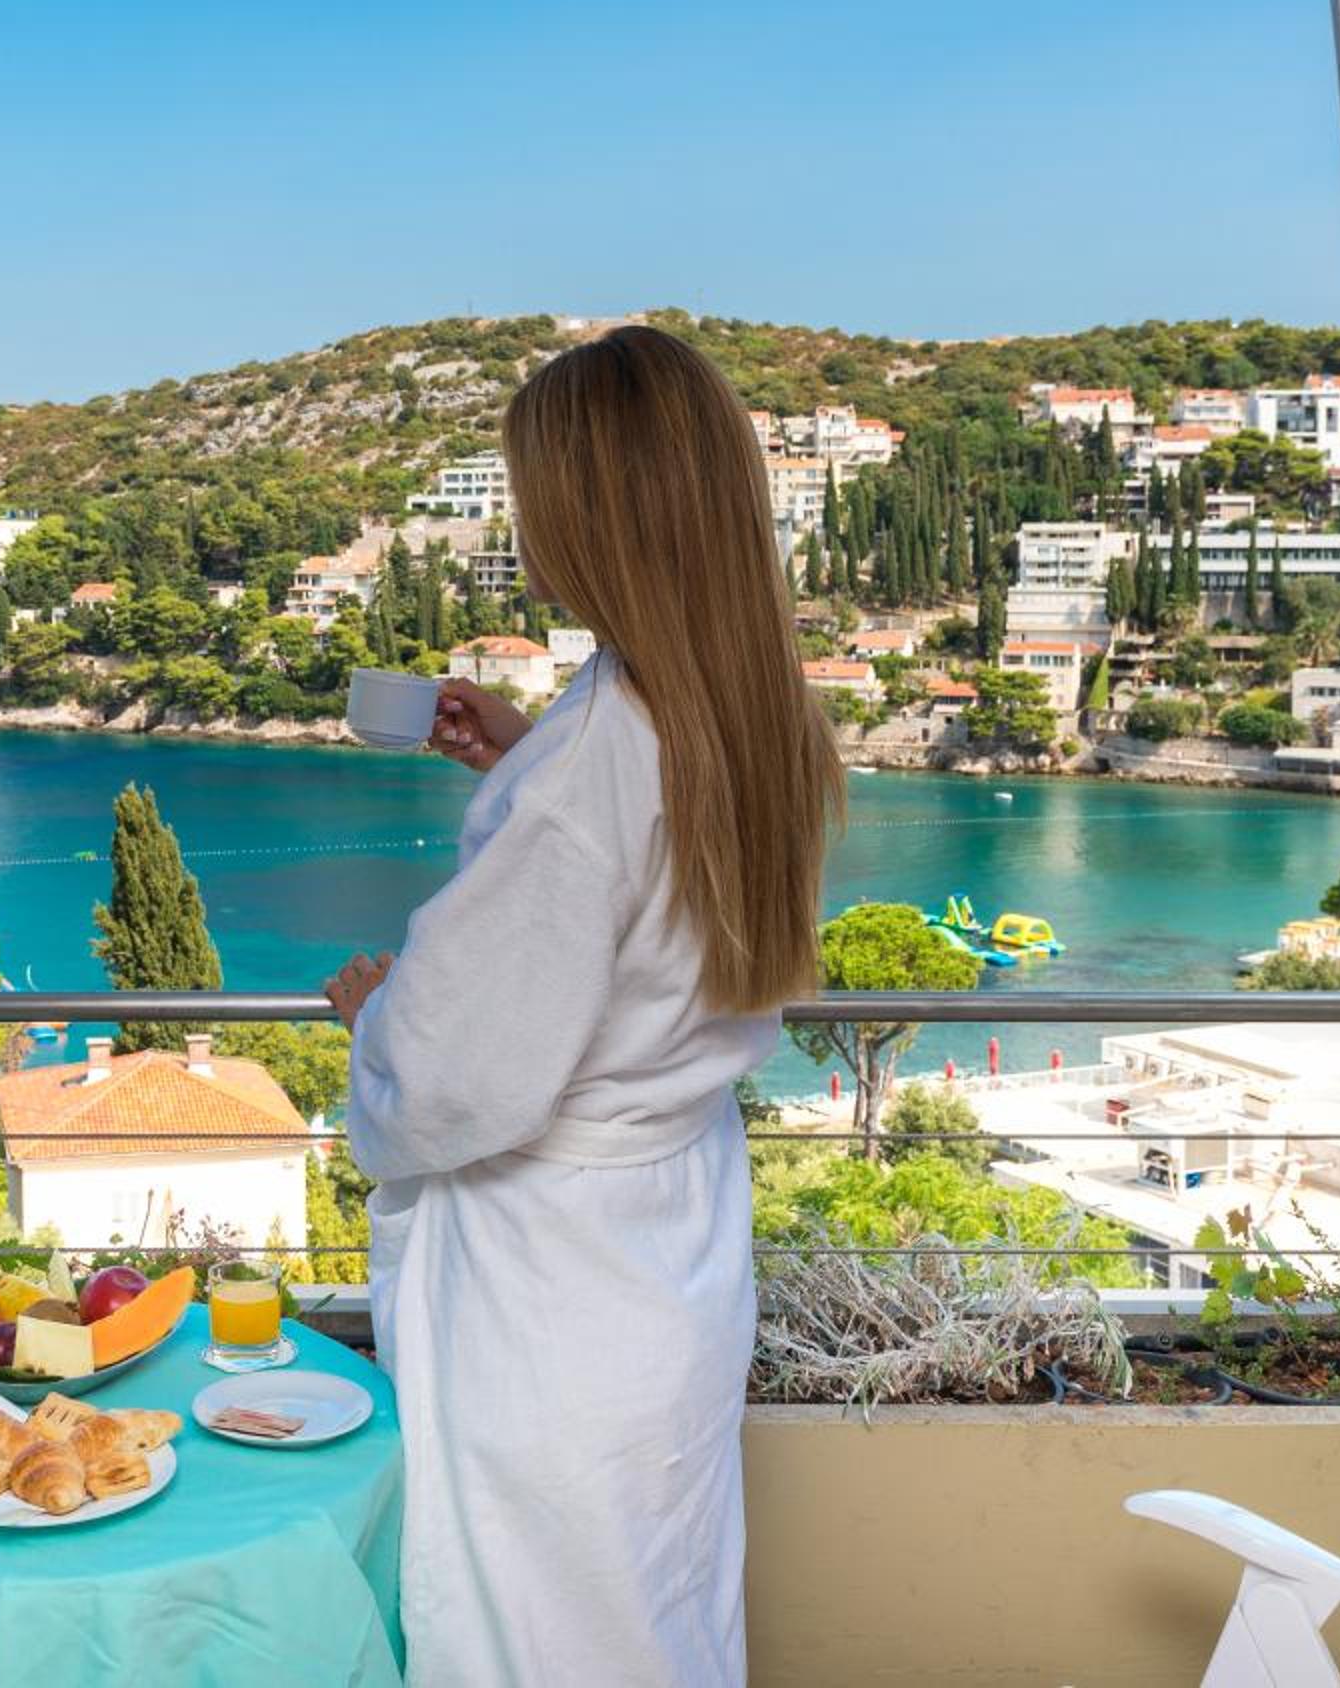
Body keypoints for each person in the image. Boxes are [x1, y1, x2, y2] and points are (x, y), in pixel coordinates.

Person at [322, 326, 843, 1686]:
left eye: (533, 495)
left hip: (551, 1288)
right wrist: (522, 751)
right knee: (654, 1611)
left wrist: (376, 1019)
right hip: (671, 1244)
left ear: (593, 512)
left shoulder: (584, 777)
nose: (521, 527)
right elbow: (646, 867)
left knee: (538, 1638)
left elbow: (455, 1083)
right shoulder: (744, 707)